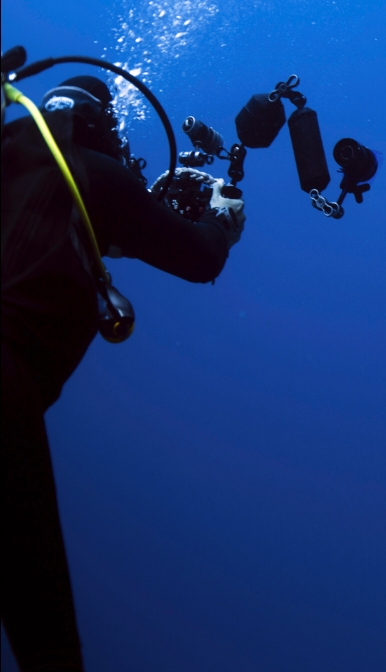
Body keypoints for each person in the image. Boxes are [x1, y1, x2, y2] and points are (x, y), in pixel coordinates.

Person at [2, 75, 245, 670]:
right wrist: (221, 218)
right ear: (96, 126)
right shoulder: (92, 170)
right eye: (115, 130)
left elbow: (73, 230)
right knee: (48, 643)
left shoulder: (18, 162)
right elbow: (198, 257)